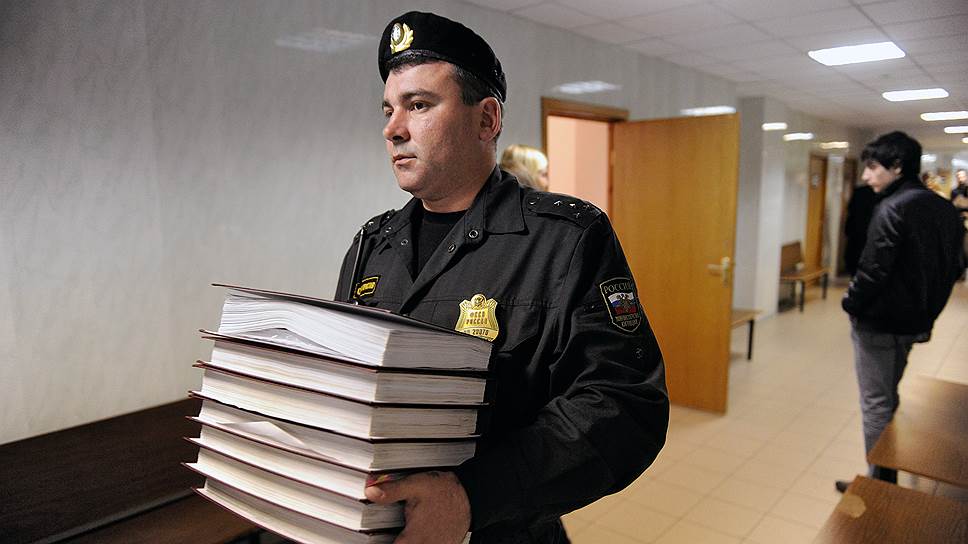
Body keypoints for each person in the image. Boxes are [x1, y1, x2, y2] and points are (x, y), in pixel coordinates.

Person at [334, 11, 668, 544]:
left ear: (487, 120)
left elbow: (624, 404)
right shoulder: (371, 246)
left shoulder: (564, 239)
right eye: (389, 109)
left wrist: (473, 496)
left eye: (419, 105)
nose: (393, 129)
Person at [836, 131, 966, 493]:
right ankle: (884, 476)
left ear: (896, 167)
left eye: (872, 167)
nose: (866, 176)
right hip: (913, 324)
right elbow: (956, 267)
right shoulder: (943, 208)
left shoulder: (892, 207)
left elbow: (873, 271)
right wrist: (928, 311)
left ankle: (880, 488)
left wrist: (850, 303)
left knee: (876, 404)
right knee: (888, 396)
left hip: (878, 324)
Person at [842, 182, 875, 277]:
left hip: (856, 232)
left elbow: (850, 211)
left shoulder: (859, 192)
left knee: (854, 260)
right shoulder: (884, 194)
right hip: (868, 234)